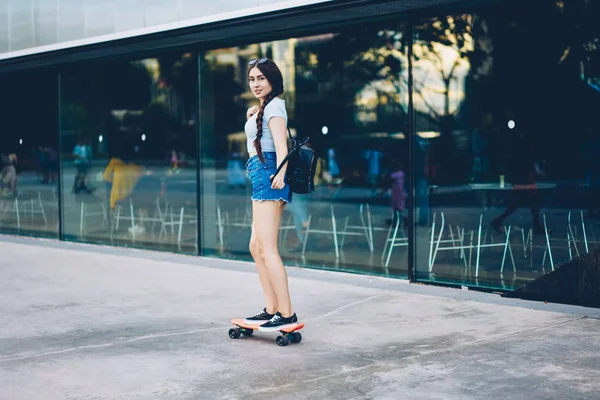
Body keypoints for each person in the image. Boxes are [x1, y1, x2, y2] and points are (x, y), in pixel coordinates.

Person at [242, 57, 298, 332]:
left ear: (272, 79)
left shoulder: (275, 107)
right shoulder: (265, 107)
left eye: (260, 78)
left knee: (268, 249)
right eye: (252, 79)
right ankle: (271, 308)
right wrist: (254, 115)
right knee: (256, 247)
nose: (255, 83)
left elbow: (281, 145)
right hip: (261, 175)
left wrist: (280, 175)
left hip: (269, 177)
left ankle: (286, 313)